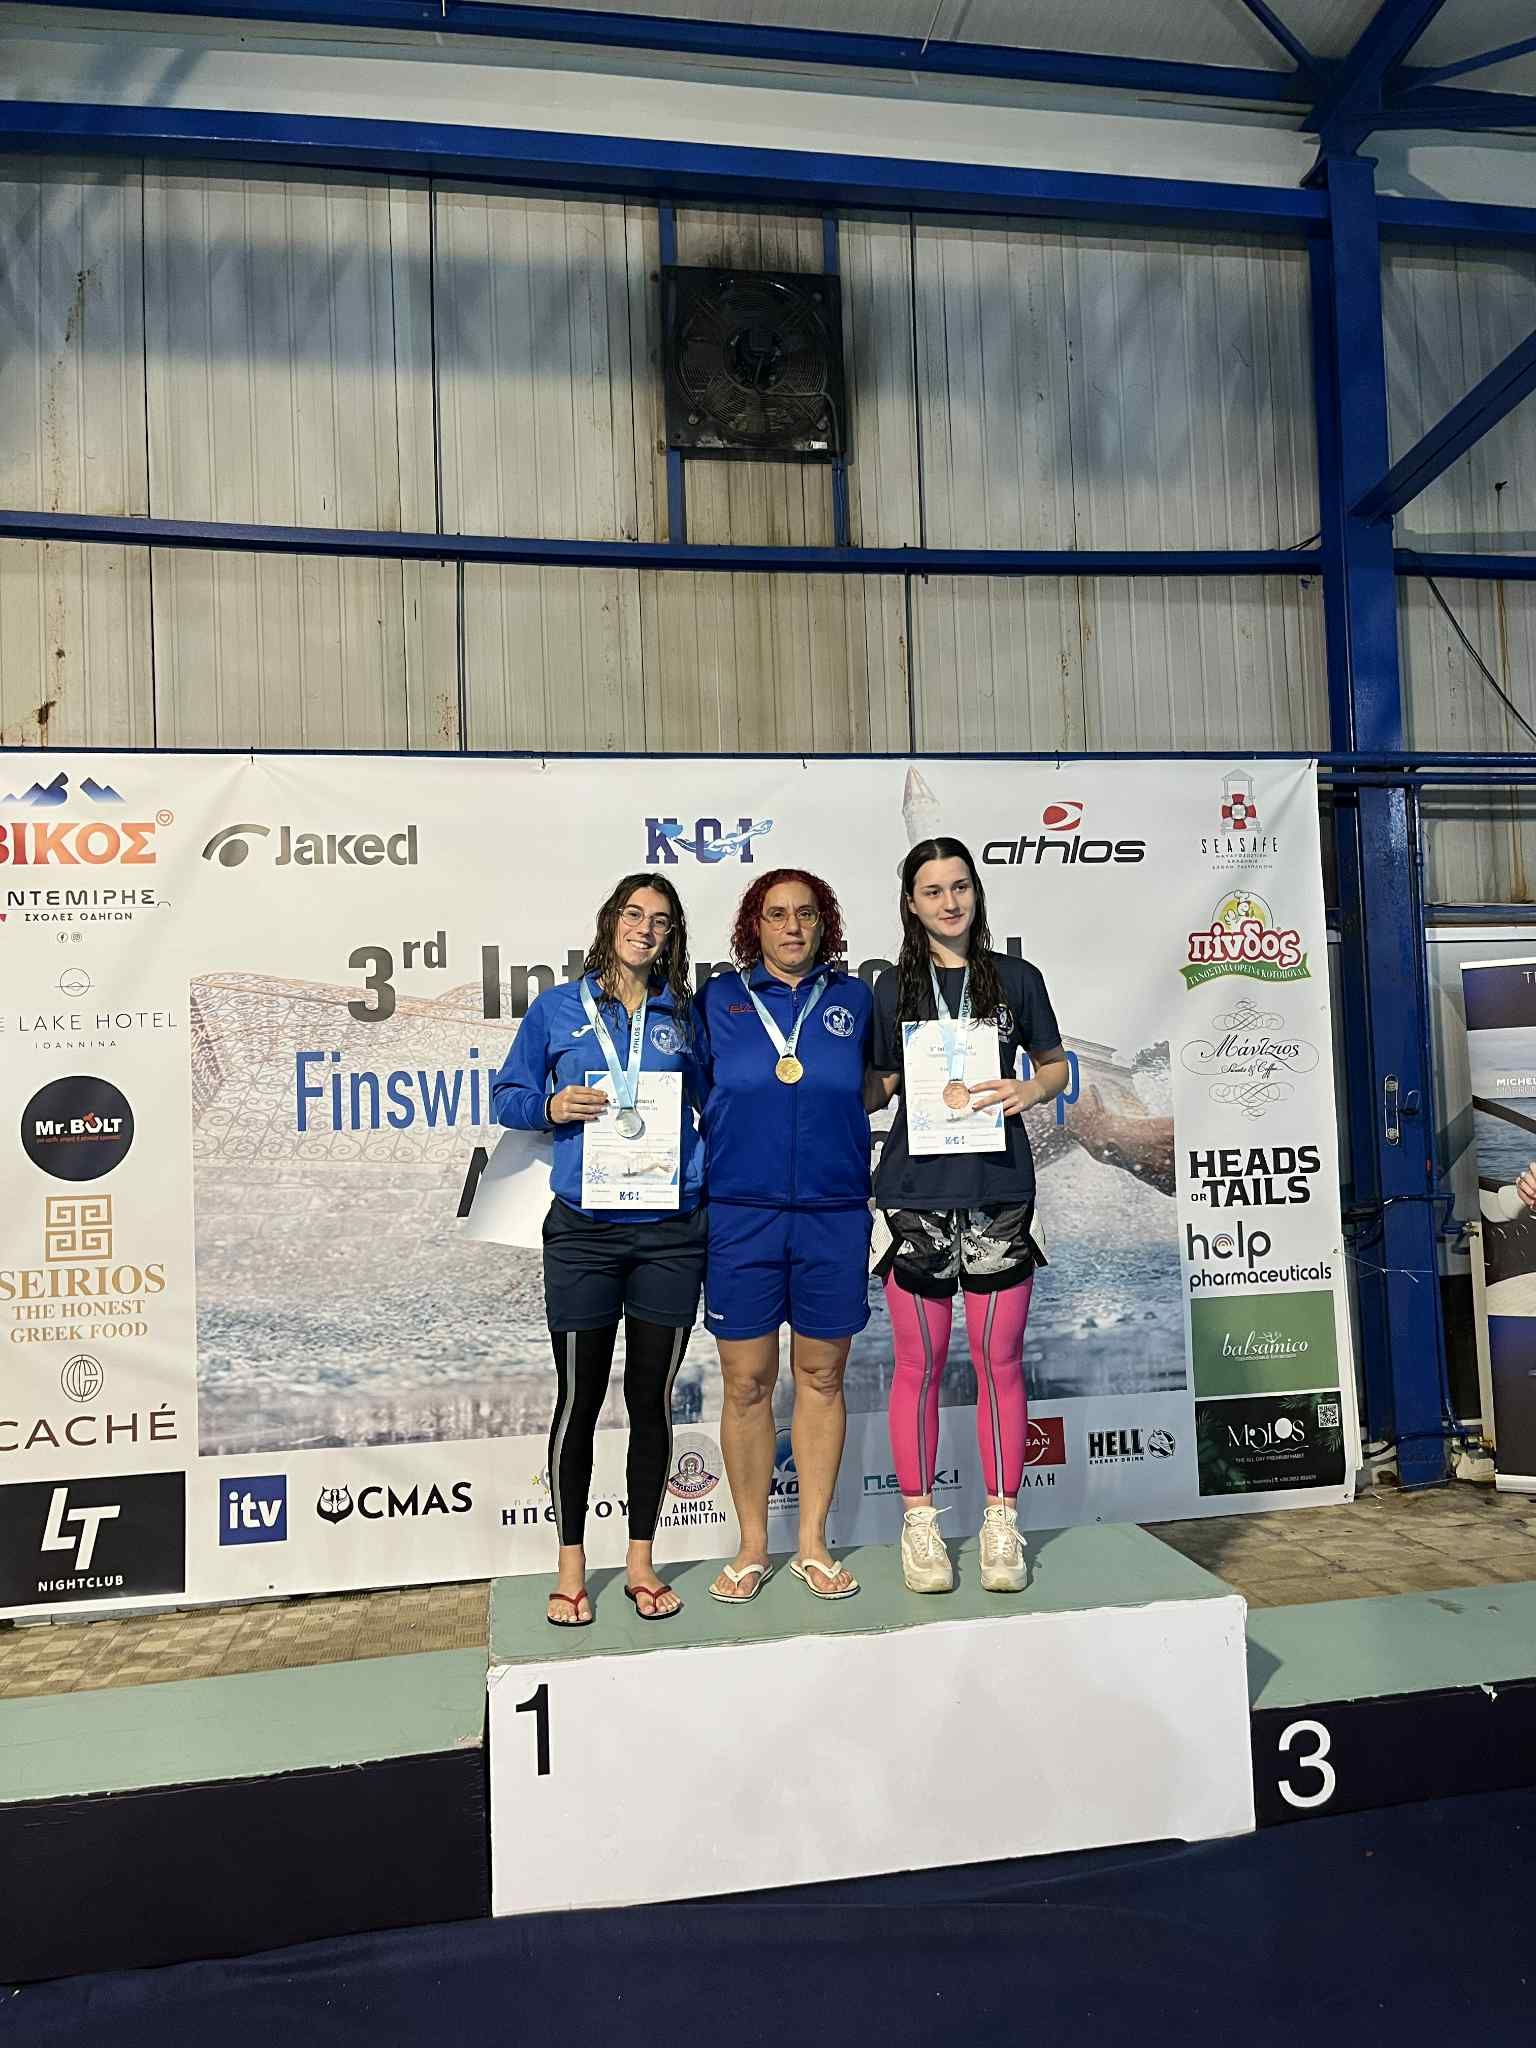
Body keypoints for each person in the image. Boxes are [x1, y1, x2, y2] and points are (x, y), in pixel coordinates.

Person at [491, 874, 707, 1627]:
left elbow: (716, 1102)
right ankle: (571, 1566)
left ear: (673, 936)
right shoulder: (558, 1008)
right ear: (610, 921)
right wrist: (550, 1105)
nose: (646, 929)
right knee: (579, 1399)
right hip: (584, 1231)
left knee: (651, 1400)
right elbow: (507, 1096)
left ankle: (641, 1562)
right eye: (634, 914)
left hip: (670, 1233)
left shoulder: (687, 1015)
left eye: (661, 921)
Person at [870, 837, 1071, 1595]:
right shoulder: (891, 988)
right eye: (933, 891)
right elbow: (876, 1084)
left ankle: (1000, 1522)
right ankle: (920, 1525)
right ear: (911, 904)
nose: (949, 902)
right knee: (917, 1366)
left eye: (960, 887)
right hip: (914, 1195)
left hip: (999, 1191)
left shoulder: (1018, 978)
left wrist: (1033, 1089)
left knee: (1000, 1362)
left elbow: (1053, 1066)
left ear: (976, 893)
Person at [697, 869, 874, 1603]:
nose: (793, 926)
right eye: (777, 914)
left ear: (824, 924)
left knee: (822, 1377)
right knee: (746, 1383)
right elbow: (693, 1089)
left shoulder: (856, 999)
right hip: (741, 1215)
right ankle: (750, 1546)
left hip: (834, 1212)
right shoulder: (718, 999)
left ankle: (812, 1545)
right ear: (755, 926)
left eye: (806, 913)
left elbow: (880, 1084)